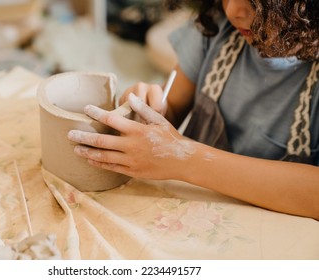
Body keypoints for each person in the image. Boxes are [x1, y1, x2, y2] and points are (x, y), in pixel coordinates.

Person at [67, 0, 319, 220]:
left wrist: (185, 159)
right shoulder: (220, 29)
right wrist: (152, 109)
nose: (233, 10)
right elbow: (173, 106)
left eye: (256, 1)